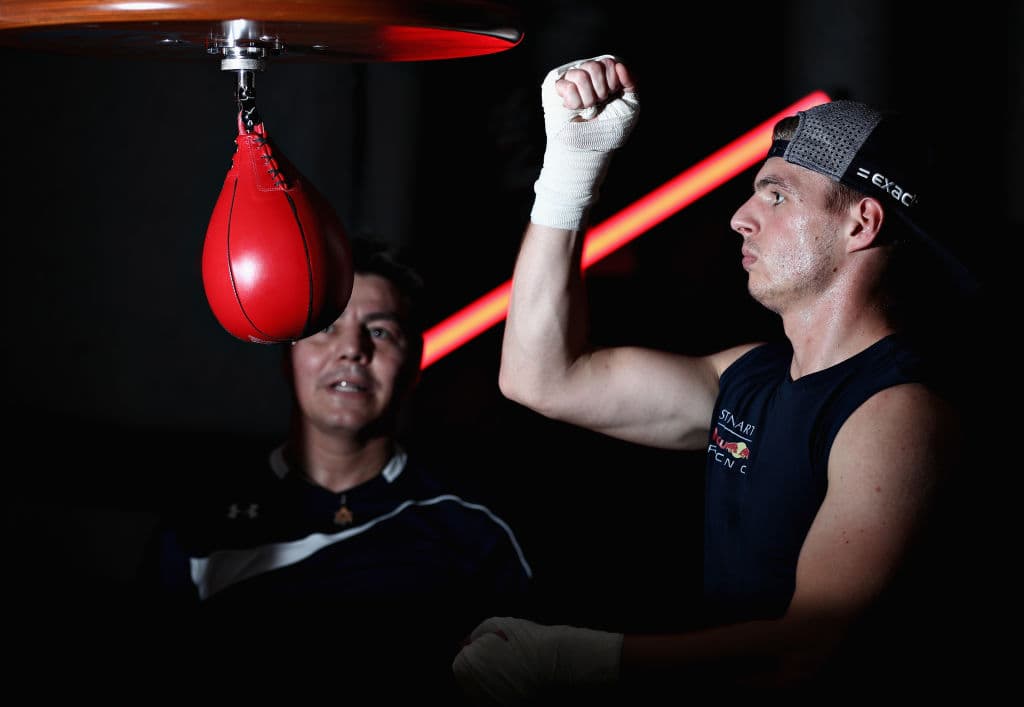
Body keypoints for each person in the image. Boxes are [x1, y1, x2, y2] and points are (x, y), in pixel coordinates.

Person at [453, 55, 976, 700]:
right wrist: (569, 172)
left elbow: (809, 646)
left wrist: (581, 660)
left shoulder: (898, 413)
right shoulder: (749, 377)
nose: (740, 217)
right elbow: (540, 377)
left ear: (861, 223)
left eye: (777, 194)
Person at [145, 236, 533, 696]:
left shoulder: (475, 529)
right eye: (325, 327)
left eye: (380, 331)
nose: (352, 349)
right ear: (288, 358)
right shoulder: (200, 522)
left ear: (411, 366)